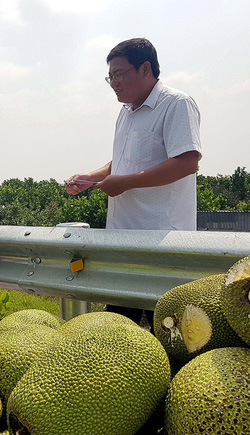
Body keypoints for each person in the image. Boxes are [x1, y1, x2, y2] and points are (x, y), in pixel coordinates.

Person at [66, 38, 202, 327]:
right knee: (119, 332)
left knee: (166, 329)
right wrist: (93, 177)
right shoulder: (126, 112)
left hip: (161, 242)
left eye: (119, 74)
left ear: (145, 68)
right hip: (123, 240)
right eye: (110, 77)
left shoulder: (176, 104)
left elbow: (188, 162)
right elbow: (125, 161)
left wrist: (126, 183)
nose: (114, 82)